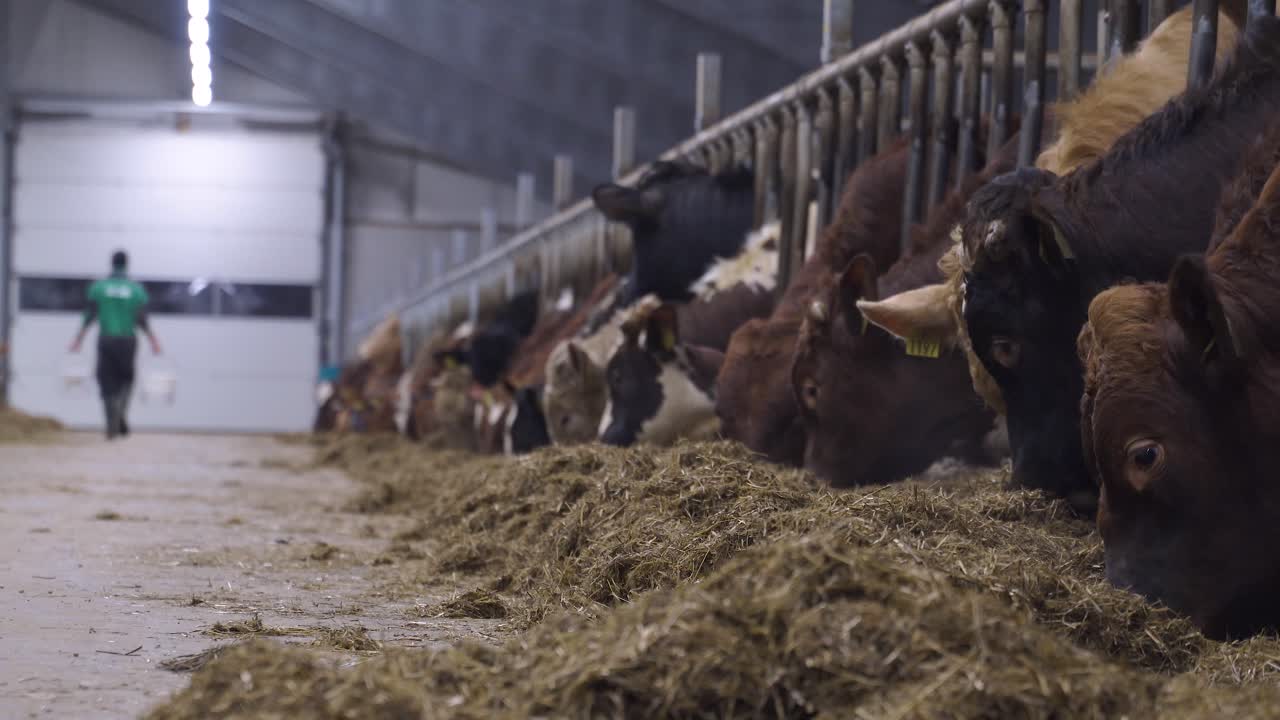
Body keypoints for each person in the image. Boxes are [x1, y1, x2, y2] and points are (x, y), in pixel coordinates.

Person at [69, 251, 161, 439]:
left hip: (107, 340)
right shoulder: (136, 290)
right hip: (128, 341)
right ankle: (120, 414)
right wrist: (153, 341)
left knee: (106, 380)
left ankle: (112, 422)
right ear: (126, 264)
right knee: (126, 379)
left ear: (111, 264)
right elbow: (142, 318)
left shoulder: (99, 288)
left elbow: (90, 315)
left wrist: (78, 339)